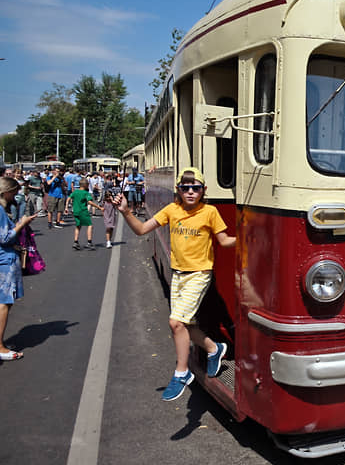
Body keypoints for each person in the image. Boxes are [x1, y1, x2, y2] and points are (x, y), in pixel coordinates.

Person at [113, 167, 235, 401]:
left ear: (203, 190)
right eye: (185, 188)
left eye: (195, 188)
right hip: (178, 274)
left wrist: (248, 239)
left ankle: (182, 372)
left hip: (199, 273)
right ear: (177, 190)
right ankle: (213, 348)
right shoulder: (172, 210)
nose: (190, 192)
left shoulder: (210, 212)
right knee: (185, 326)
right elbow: (140, 230)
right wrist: (126, 212)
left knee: (176, 323)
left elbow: (224, 240)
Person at [0, 177, 37, 361]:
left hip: (4, 259)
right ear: (5, 192)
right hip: (4, 260)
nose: (16, 195)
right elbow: (4, 238)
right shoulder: (0, 211)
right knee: (4, 303)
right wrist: (21, 224)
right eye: (14, 191)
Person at [69, 178, 103, 250]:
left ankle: (75, 241)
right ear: (86, 185)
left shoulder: (75, 192)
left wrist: (66, 207)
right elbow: (90, 202)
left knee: (78, 226)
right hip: (83, 211)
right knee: (90, 225)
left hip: (76, 211)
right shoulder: (86, 193)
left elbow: (69, 198)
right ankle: (89, 242)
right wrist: (99, 207)